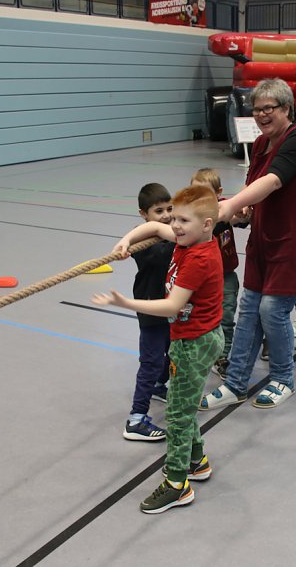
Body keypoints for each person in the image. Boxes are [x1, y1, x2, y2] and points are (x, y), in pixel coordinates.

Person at [200, 78, 296, 412]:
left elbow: (273, 181)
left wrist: (227, 208)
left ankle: (283, 378)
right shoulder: (260, 145)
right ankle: (236, 382)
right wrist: (241, 210)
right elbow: (254, 189)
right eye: (256, 109)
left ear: (286, 109)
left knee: (272, 310)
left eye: (268, 109)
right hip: (265, 239)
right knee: (249, 308)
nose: (261, 115)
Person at [92, 185, 223, 514]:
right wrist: (126, 240)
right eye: (174, 218)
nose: (175, 226)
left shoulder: (198, 257)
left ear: (207, 224)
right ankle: (198, 461)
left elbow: (172, 305)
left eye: (183, 221)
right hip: (190, 337)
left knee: (178, 416)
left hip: (194, 343)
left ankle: (177, 484)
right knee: (184, 403)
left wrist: (124, 302)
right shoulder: (186, 238)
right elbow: (151, 227)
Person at [120, 183, 174, 442]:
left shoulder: (169, 231)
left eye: (169, 209)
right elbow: (160, 257)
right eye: (158, 211)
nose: (165, 215)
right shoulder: (141, 238)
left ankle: (158, 386)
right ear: (144, 214)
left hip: (171, 305)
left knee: (171, 349)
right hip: (151, 308)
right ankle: (136, 419)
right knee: (151, 360)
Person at [190, 169, 240, 381]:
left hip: (226, 276)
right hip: (201, 279)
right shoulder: (190, 214)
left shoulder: (225, 208)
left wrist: (244, 212)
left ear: (218, 193)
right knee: (200, 318)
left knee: (226, 318)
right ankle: (201, 352)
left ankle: (222, 357)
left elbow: (239, 216)